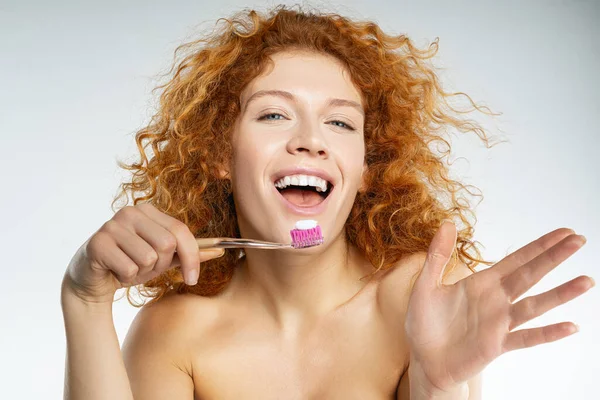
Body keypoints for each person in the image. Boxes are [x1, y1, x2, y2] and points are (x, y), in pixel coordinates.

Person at [60, 5, 594, 400]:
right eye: (273, 114)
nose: (312, 139)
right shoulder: (174, 332)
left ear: (365, 168)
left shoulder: (417, 299)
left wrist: (436, 387)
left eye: (340, 122)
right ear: (220, 152)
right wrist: (84, 299)